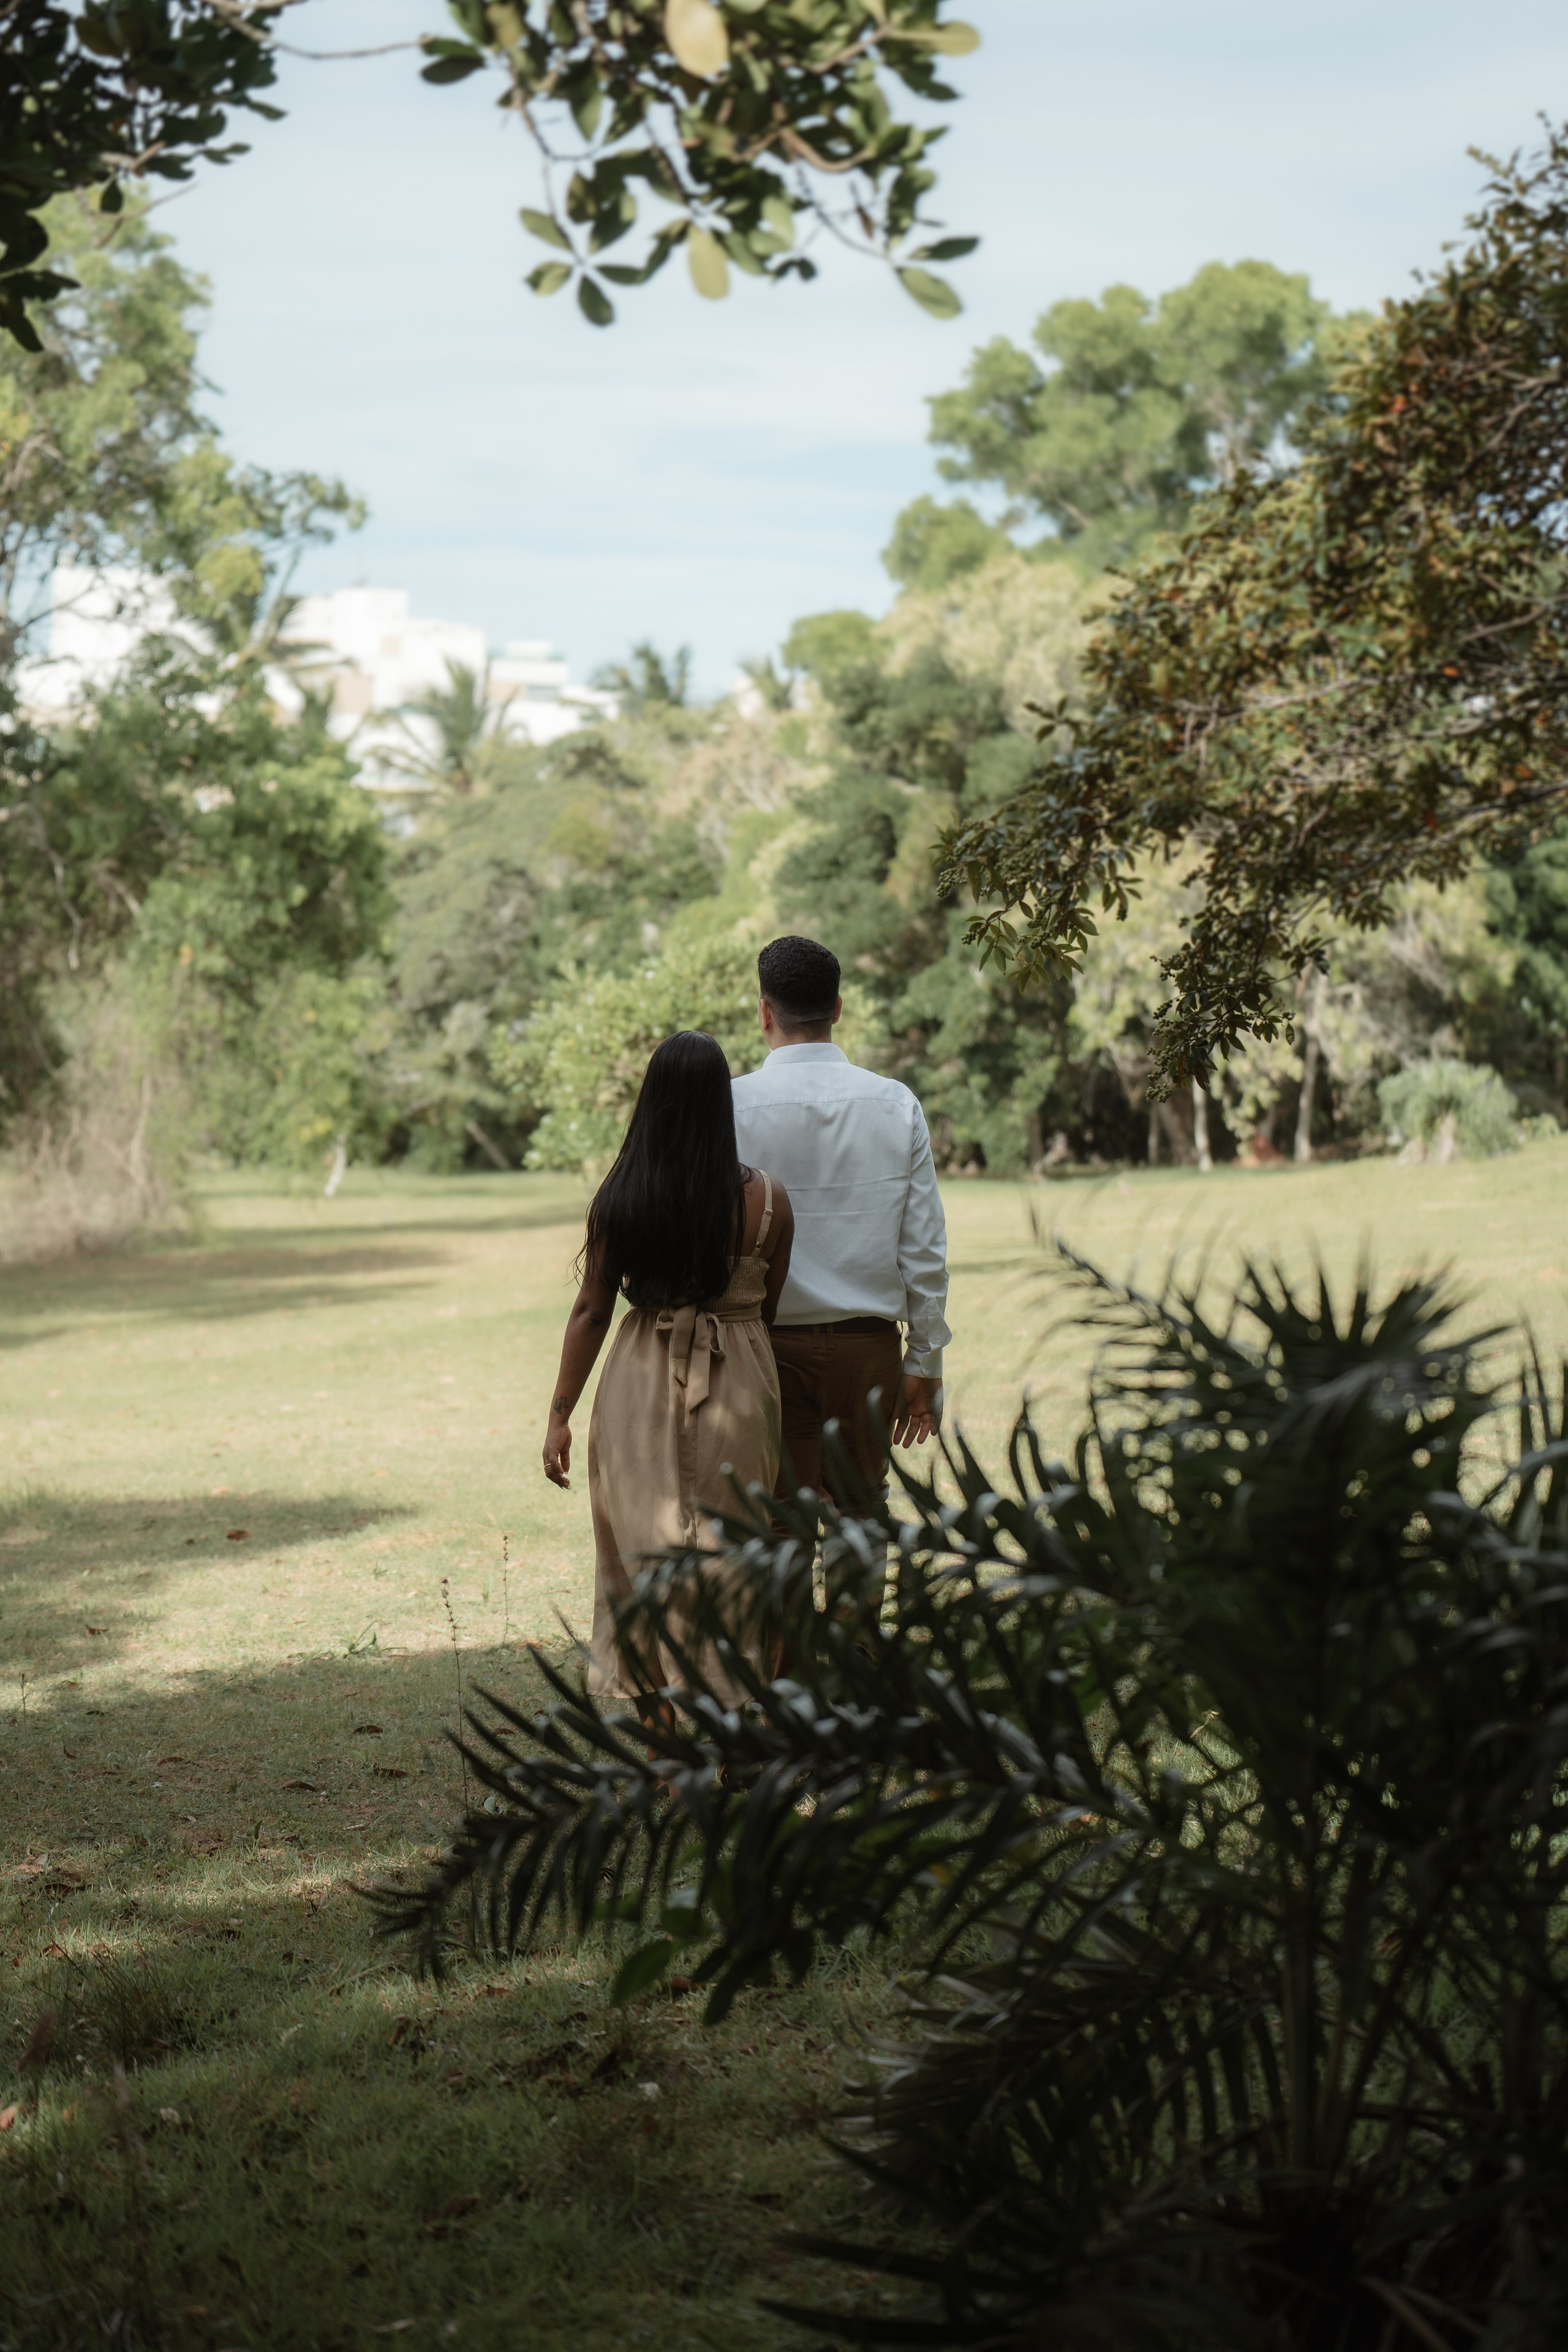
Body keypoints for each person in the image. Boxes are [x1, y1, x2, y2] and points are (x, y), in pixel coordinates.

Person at [541, 1029, 794, 1702]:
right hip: (741, 1373)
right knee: (734, 1550)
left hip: (640, 1375)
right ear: (721, 1103)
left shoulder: (625, 1196)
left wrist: (559, 1416)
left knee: (639, 1545)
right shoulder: (768, 1200)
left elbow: (592, 1311)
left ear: (651, 1101)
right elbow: (766, 1309)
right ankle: (735, 1717)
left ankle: (660, 1742)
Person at [731, 935, 949, 1515]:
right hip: (867, 1350)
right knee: (860, 1515)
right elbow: (923, 1246)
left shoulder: (729, 1107)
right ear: (837, 1009)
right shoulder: (895, 1103)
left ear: (764, 1012)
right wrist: (924, 1360)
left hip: (763, 1348)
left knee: (777, 1520)